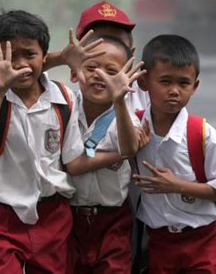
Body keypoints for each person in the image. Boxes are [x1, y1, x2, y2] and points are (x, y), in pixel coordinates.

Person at [0, 9, 136, 274]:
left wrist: (121, 151)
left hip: (53, 216)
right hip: (1, 216)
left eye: (29, 55)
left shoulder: (64, 98)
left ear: (43, 57)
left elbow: (74, 160)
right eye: (11, 56)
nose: (20, 64)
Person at [132, 34, 216, 273]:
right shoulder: (133, 128)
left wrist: (176, 185)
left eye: (183, 83)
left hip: (204, 240)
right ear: (144, 81)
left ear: (195, 86)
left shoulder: (202, 134)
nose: (174, 91)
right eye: (165, 81)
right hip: (160, 243)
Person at [67, 35, 148, 273]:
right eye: (91, 67)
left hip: (112, 220)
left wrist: (119, 100)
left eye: (111, 71)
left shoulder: (124, 117)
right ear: (75, 73)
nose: (100, 75)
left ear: (125, 79)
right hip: (69, 220)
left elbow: (128, 147)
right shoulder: (65, 108)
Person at [44, 0, 150, 112]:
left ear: (131, 53)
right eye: (97, 42)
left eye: (116, 43)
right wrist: (61, 58)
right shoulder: (64, 104)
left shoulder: (148, 92)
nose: (106, 50)